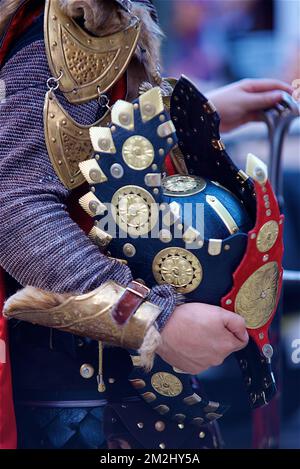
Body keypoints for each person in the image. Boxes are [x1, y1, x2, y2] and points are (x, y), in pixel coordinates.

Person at [0, 0, 292, 449]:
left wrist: (190, 118)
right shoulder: (70, 20)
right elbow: (13, 206)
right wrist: (152, 319)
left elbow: (67, 149)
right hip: (74, 390)